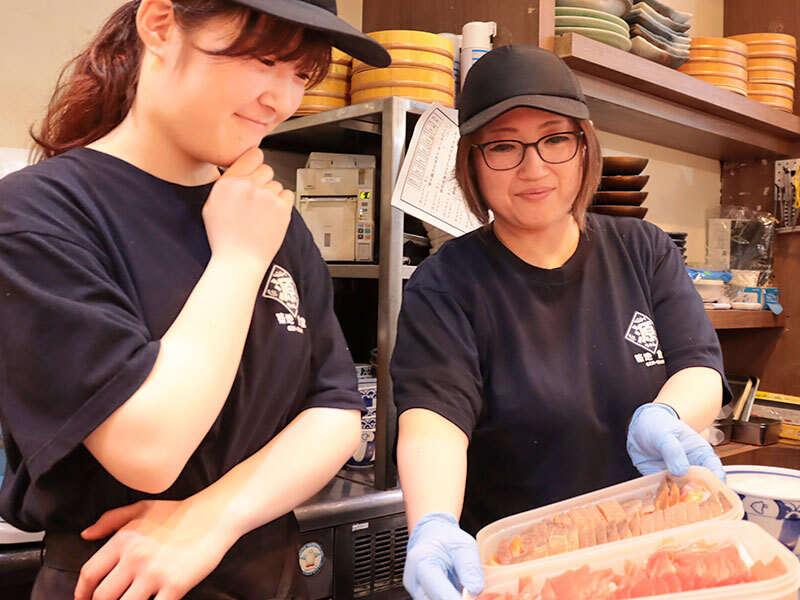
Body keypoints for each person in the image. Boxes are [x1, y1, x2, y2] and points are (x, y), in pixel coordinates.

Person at [0, 1, 390, 598]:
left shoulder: (275, 220)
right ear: (160, 24)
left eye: (300, 75)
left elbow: (336, 413)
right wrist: (237, 259)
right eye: (264, 60)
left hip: (271, 571)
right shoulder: (41, 214)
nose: (282, 101)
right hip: (118, 580)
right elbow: (147, 449)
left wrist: (211, 518)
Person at [391, 45, 730, 600]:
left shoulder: (643, 249)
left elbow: (699, 365)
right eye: (503, 146)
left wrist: (667, 414)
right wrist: (432, 523)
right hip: (519, 569)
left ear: (583, 146)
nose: (534, 167)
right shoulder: (446, 282)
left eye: (554, 138)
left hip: (649, 554)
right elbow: (434, 420)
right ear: (471, 162)